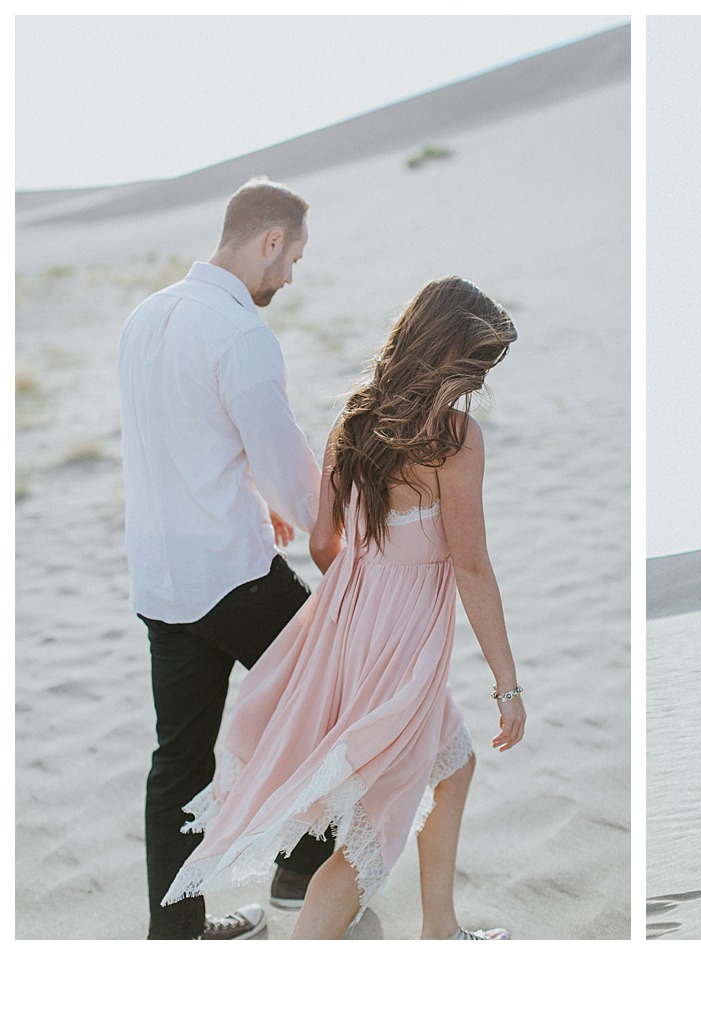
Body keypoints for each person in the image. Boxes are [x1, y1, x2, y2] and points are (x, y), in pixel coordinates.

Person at [159, 276, 528, 940]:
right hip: (401, 652)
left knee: (455, 758)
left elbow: (325, 542)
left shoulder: (355, 417)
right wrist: (508, 683)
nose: (479, 380)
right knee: (373, 833)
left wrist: (370, 582)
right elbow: (472, 566)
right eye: (478, 363)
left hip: (345, 631)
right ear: (450, 353)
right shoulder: (453, 438)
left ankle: (440, 928)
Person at [120, 178, 333, 940]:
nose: (289, 277)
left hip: (160, 579)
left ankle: (174, 939)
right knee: (335, 693)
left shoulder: (144, 318)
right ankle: (303, 871)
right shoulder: (240, 333)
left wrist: (253, 489)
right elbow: (285, 461)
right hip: (233, 575)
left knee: (177, 764)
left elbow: (184, 437)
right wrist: (331, 536)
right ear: (269, 240)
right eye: (293, 258)